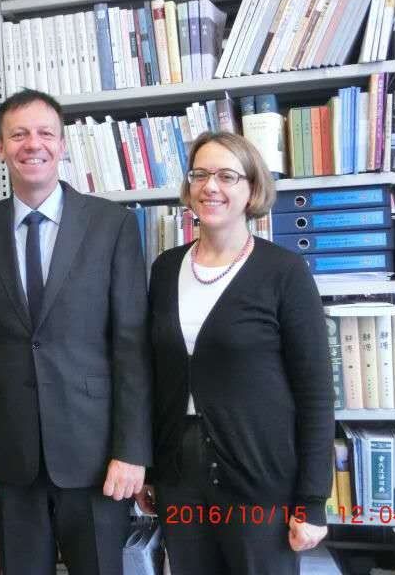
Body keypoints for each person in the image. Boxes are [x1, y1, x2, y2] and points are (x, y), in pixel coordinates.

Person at [0, 89, 152, 575]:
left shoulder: (111, 224)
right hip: (8, 457)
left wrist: (131, 450)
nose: (32, 144)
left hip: (96, 456)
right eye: (18, 134)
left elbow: (132, 346)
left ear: (62, 144)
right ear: (0, 147)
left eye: (44, 133)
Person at [139, 131, 334, 574]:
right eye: (200, 175)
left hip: (260, 476)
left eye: (227, 176)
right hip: (179, 475)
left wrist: (311, 501)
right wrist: (150, 469)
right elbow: (154, 377)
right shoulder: (165, 269)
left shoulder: (283, 271)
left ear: (252, 189)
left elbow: (316, 393)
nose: (211, 186)